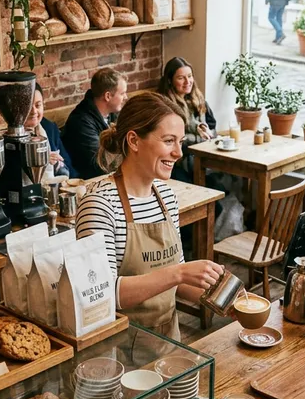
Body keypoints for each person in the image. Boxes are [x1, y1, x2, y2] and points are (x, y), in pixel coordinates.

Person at [75, 92, 223, 340]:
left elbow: (174, 285)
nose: (179, 153)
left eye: (180, 141)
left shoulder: (165, 197)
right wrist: (180, 272)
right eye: (168, 141)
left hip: (170, 342)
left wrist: (228, 297)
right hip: (120, 352)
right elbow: (103, 295)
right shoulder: (99, 205)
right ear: (133, 140)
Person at [157, 56, 216, 182]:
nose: (187, 81)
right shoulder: (165, 106)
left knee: (224, 182)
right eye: (180, 78)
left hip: (202, 158)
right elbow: (169, 141)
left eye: (189, 76)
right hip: (178, 163)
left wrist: (208, 132)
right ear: (170, 81)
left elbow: (212, 127)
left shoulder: (199, 100)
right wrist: (199, 139)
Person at [62, 68, 128, 179]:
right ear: (108, 96)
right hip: (89, 182)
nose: (125, 97)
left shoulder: (113, 113)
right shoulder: (81, 122)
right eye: (122, 93)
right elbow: (100, 163)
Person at [24, 84, 75, 181]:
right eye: (28, 106)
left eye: (38, 105)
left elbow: (68, 165)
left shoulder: (50, 128)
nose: (34, 111)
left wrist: (57, 164)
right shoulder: (13, 137)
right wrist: (41, 161)